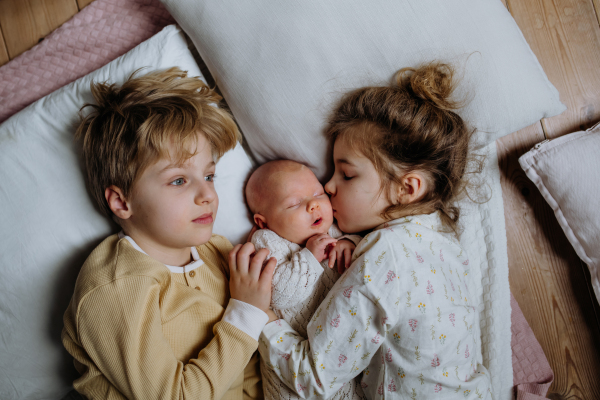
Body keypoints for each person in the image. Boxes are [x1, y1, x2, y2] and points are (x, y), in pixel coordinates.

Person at [256, 62, 492, 399]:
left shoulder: (388, 253)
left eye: (347, 175)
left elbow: (313, 379)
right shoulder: (445, 244)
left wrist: (259, 315)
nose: (327, 186)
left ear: (407, 189)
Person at [61, 67, 275, 400]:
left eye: (209, 176)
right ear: (122, 201)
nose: (206, 195)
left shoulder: (215, 251)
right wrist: (246, 312)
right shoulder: (114, 290)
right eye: (178, 181)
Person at [245, 160, 365, 400]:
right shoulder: (267, 242)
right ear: (263, 221)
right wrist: (309, 257)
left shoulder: (335, 229)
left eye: (317, 193)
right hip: (293, 366)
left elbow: (366, 251)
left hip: (341, 351)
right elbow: (279, 295)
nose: (313, 205)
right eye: (294, 203)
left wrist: (350, 243)